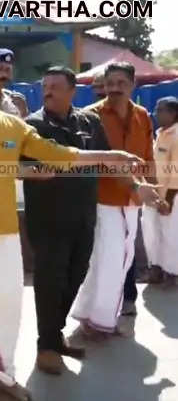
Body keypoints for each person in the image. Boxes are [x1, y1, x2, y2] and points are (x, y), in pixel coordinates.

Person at [0, 57, 144, 400]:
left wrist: (110, 156)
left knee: (5, 302)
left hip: (3, 232)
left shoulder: (13, 128)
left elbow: (58, 154)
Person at [21, 67, 112, 375]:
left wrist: (137, 186)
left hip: (84, 215)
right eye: (45, 86)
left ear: (72, 90)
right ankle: (45, 346)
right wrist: (38, 173)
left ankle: (55, 333)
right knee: (50, 281)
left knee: (76, 274)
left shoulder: (90, 121)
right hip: (49, 219)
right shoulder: (32, 126)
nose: (48, 91)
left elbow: (104, 158)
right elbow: (17, 167)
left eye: (55, 86)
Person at [71, 61, 161, 336]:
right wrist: (136, 187)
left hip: (132, 201)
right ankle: (101, 322)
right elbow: (100, 163)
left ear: (133, 85)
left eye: (121, 83)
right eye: (110, 83)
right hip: (101, 199)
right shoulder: (90, 116)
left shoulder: (142, 115)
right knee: (112, 260)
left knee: (114, 259)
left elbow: (147, 157)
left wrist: (154, 190)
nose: (115, 89)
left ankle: (88, 314)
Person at [142, 97, 178, 286]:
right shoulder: (160, 133)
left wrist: (169, 200)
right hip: (153, 194)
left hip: (171, 195)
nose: (156, 113)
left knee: (170, 234)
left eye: (160, 109)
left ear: (173, 113)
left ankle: (172, 273)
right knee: (150, 233)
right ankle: (155, 269)